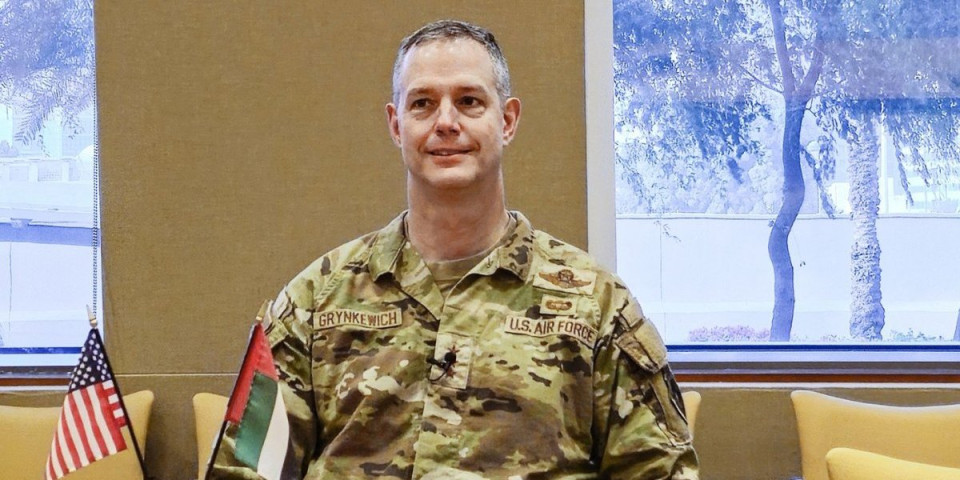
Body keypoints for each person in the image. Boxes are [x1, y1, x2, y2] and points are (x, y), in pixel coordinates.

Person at [210, 19, 699, 480]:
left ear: (507, 120)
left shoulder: (596, 307)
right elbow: (246, 469)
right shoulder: (314, 303)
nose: (446, 122)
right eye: (422, 103)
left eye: (469, 101)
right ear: (396, 124)